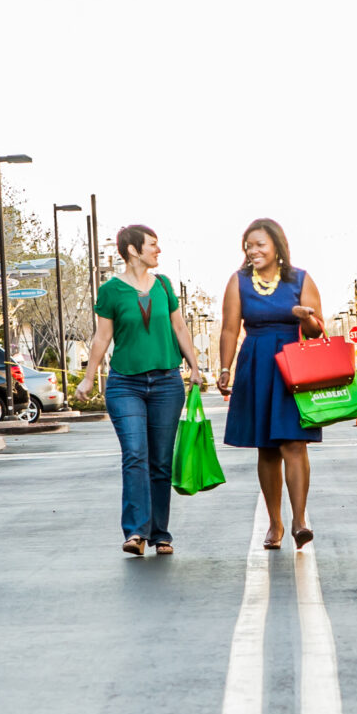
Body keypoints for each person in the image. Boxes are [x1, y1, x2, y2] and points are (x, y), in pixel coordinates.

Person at [83, 224, 208, 557]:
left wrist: (194, 367)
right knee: (135, 454)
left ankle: (160, 533)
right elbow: (101, 338)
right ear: (133, 250)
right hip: (125, 384)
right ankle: (136, 532)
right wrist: (87, 377)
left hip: (167, 383)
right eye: (153, 244)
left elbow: (179, 327)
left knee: (161, 461)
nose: (158, 250)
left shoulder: (164, 285)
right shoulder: (110, 291)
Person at [217, 216, 325, 550]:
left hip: (294, 366)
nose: (253, 251)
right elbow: (230, 329)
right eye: (248, 246)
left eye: (260, 244)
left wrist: (305, 316)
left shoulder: (300, 279)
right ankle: (275, 523)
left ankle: (300, 520)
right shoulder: (238, 282)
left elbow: (318, 330)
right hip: (257, 364)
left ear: (277, 245)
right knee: (266, 448)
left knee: (294, 443)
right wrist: (225, 368)